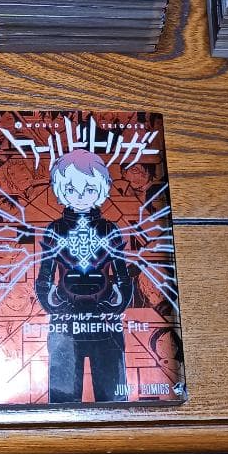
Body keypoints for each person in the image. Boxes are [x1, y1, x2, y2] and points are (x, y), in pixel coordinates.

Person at [35, 149, 133, 404]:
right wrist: (54, 305)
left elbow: (123, 276)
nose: (80, 196)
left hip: (105, 322)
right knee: (62, 403)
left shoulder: (110, 229)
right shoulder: (55, 229)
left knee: (115, 402)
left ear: (101, 189)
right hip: (65, 324)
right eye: (71, 189)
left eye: (89, 189)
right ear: (61, 190)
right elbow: (44, 277)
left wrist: (115, 306)